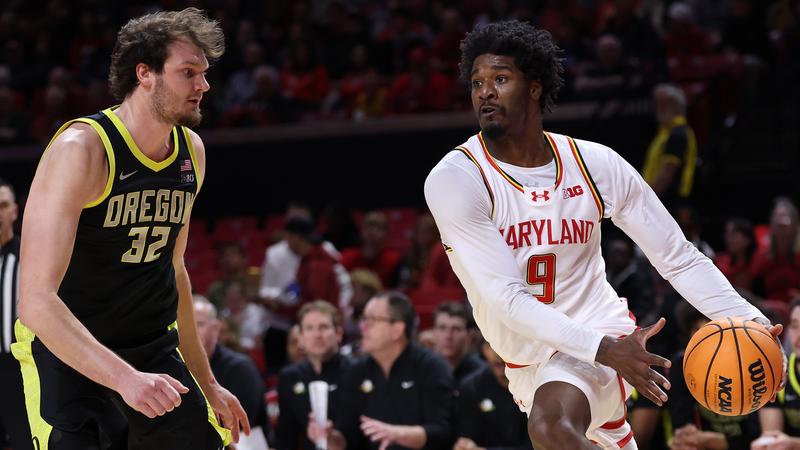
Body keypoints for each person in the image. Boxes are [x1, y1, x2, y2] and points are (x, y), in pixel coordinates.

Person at [424, 20, 779, 450]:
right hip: (530, 357)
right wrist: (605, 350)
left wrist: (755, 323)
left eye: (500, 79)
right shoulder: (457, 179)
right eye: (477, 82)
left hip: (600, 331)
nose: (485, 92)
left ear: (534, 87)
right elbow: (508, 300)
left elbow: (678, 257)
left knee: (551, 427)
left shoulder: (594, 163)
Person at [12, 8, 249, 449]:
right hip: (70, 351)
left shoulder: (191, 152)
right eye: (188, 72)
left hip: (151, 346)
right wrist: (124, 379)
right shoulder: (82, 150)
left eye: (204, 73)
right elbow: (36, 302)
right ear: (145, 74)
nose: (204, 85)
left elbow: (174, 269)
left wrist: (208, 382)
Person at [308, 292, 455, 450]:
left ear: (397, 329)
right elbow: (347, 439)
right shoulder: (357, 372)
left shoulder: (431, 367)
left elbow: (442, 432)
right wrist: (328, 437)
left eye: (372, 320)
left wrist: (396, 434)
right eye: (363, 319)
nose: (362, 326)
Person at [276, 300, 353, 450]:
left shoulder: (356, 372)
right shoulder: (289, 377)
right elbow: (285, 436)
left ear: (338, 333)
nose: (317, 335)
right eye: (309, 328)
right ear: (301, 338)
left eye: (324, 327)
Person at [193, 295, 268, 436]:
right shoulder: (175, 366)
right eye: (185, 326)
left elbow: (238, 427)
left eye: (199, 324)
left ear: (216, 328)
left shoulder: (240, 368)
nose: (191, 332)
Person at [0, 178, 33, 450]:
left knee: (24, 440)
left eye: (2, 206)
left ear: (14, 211)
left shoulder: (30, 257)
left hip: (18, 368)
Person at [455, 336, 531, 450]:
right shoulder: (471, 387)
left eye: (505, 344)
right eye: (490, 344)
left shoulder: (533, 386)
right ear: (483, 350)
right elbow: (467, 438)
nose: (497, 353)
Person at [640, 83, 698, 212]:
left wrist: (643, 201)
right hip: (661, 202)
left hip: (670, 206)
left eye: (664, 103)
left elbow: (666, 176)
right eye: (657, 103)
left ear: (677, 105)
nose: (659, 108)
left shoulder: (677, 134)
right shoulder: (664, 133)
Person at [753, 298, 800, 449]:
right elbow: (772, 434)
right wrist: (768, 444)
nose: (799, 335)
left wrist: (794, 445)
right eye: (794, 326)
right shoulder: (777, 371)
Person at [431, 301, 486, 383]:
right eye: (442, 328)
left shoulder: (482, 374)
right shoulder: (424, 369)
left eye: (456, 329)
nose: (448, 336)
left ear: (469, 335)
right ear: (434, 332)